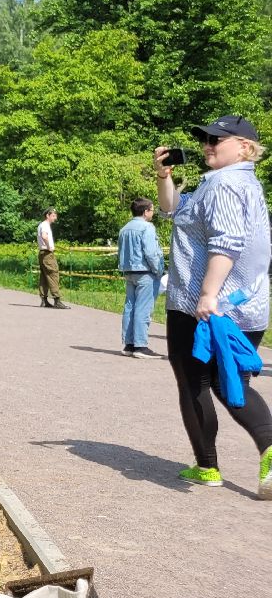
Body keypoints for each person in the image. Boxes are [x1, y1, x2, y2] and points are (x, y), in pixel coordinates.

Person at [155, 116, 272, 496]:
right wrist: (164, 176)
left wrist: (208, 295)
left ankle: (207, 467)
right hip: (247, 306)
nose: (208, 144)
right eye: (205, 138)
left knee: (195, 383)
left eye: (217, 139)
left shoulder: (223, 184)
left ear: (245, 147)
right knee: (230, 383)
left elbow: (227, 242)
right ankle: (269, 449)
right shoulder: (241, 183)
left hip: (202, 307)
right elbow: (173, 209)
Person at [117, 198, 164, 358]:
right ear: (145, 212)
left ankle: (129, 344)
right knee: (143, 309)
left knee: (130, 307)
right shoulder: (147, 227)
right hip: (145, 272)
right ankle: (140, 345)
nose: (153, 213)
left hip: (129, 272)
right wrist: (158, 270)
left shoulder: (125, 228)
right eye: (152, 210)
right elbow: (150, 253)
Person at [37, 208, 69, 309]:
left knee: (44, 277)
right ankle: (57, 300)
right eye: (53, 216)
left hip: (42, 253)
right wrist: (49, 246)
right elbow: (44, 236)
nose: (55, 218)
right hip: (47, 254)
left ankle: (44, 301)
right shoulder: (45, 225)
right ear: (48, 215)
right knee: (53, 274)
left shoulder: (41, 225)